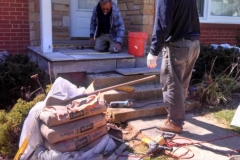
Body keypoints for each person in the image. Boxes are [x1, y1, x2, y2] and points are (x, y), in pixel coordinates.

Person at [147, 0, 201, 133]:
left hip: (177, 46)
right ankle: (174, 117)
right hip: (193, 44)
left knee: (171, 84)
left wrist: (153, 51)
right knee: (181, 84)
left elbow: (162, 22)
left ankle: (175, 123)